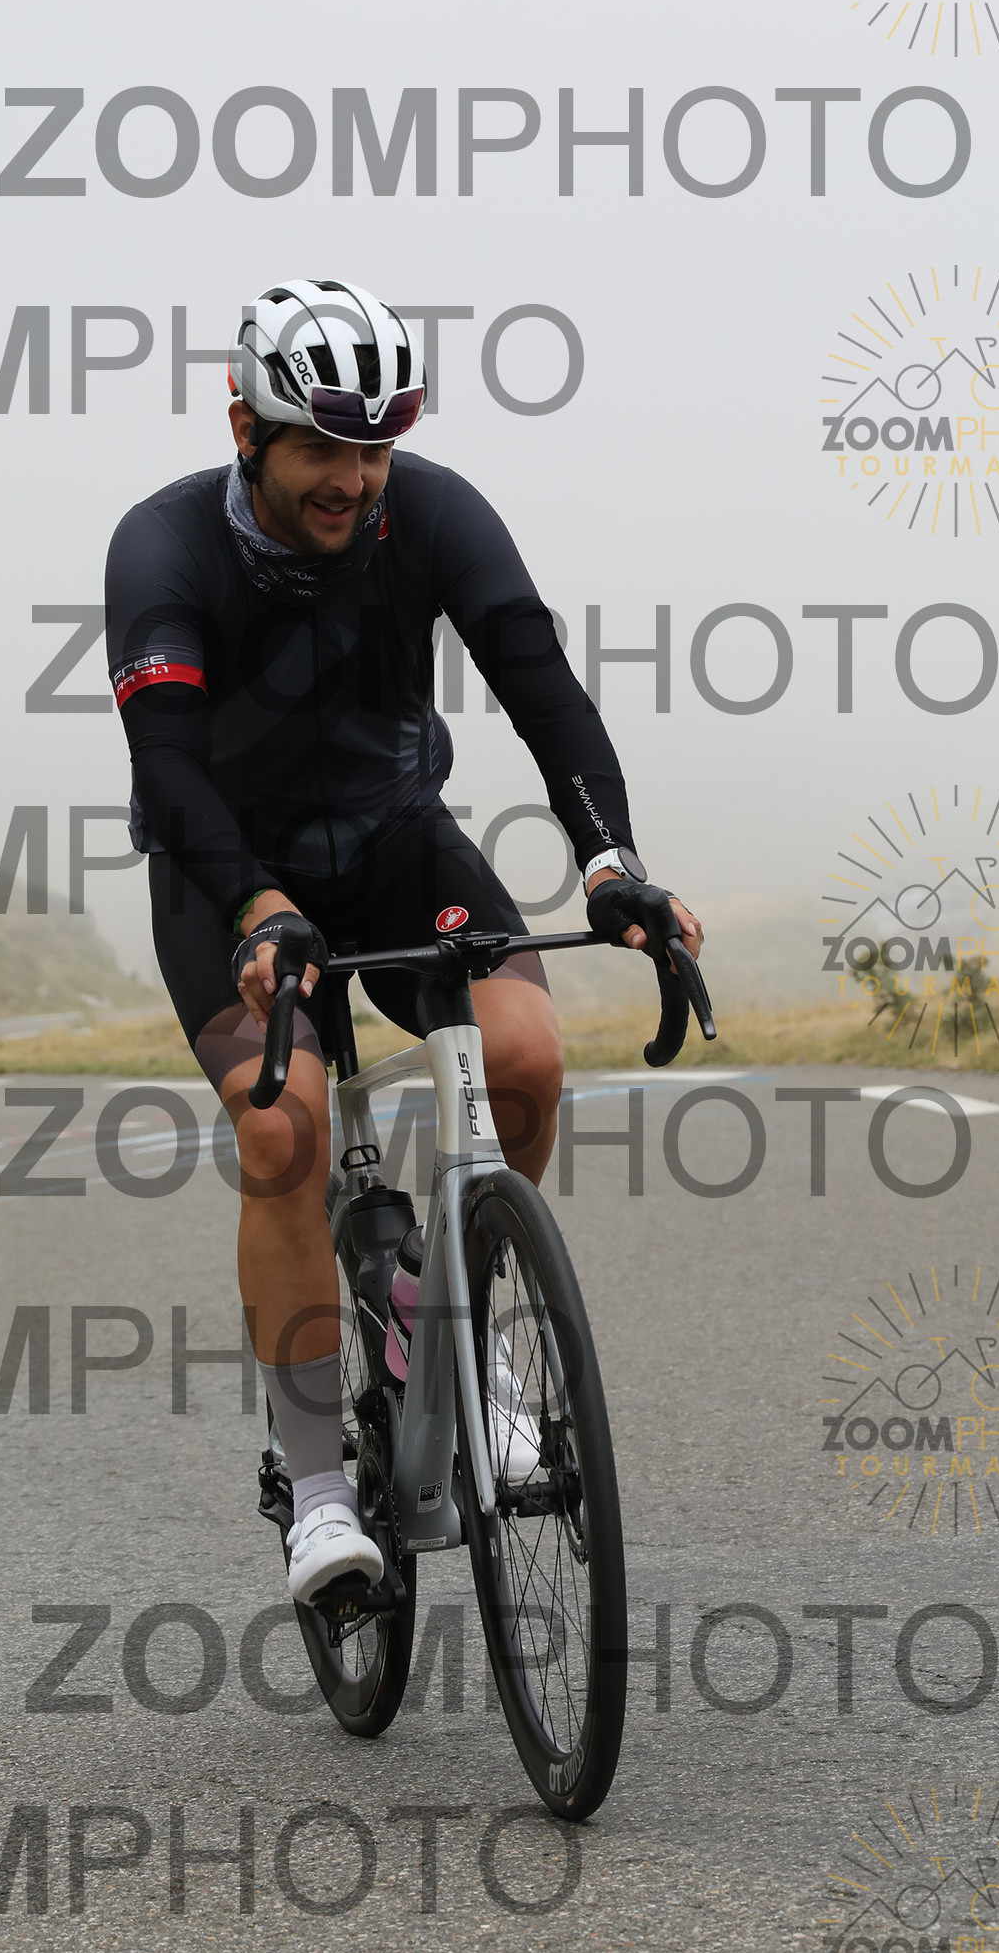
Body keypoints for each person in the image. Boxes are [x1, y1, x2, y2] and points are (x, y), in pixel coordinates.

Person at [105, 279, 702, 1603]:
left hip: (393, 841)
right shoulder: (162, 547)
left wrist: (611, 861)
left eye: (376, 448)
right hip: (229, 873)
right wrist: (256, 905)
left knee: (528, 1056)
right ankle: (319, 1486)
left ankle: (454, 1333)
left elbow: (539, 685)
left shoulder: (432, 512)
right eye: (324, 449)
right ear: (246, 430)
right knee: (284, 1135)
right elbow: (169, 765)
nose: (354, 480)